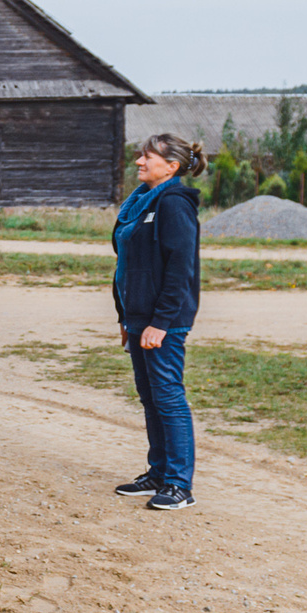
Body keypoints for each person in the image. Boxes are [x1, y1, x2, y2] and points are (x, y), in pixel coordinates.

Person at [111, 134, 204, 511]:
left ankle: (180, 484)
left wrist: (161, 321)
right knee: (150, 398)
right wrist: (126, 316)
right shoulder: (140, 202)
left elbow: (180, 268)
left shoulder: (174, 204)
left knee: (168, 398)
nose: (139, 161)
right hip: (139, 318)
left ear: (172, 166)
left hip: (163, 322)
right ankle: (159, 473)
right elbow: (128, 265)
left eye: (148, 156)